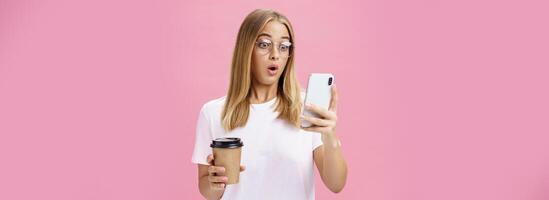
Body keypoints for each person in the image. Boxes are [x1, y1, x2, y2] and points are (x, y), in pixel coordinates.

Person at [191, 9, 347, 200]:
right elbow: (206, 189)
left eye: (283, 46)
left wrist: (330, 136)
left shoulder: (306, 110)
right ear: (246, 49)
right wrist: (214, 183)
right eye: (264, 44)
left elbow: (336, 184)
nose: (275, 55)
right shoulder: (213, 113)